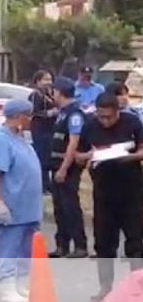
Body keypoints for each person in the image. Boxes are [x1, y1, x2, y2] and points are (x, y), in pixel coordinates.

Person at [76, 93, 143, 301]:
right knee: (103, 242)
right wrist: (89, 156)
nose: (105, 121)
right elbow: (78, 155)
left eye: (109, 117)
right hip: (103, 192)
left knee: (135, 241)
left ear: (118, 111)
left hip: (131, 190)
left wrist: (132, 157)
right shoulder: (90, 126)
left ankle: (137, 287)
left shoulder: (131, 122)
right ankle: (105, 287)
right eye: (101, 117)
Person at [0, 99, 42, 302]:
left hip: (30, 206)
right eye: (28, 115)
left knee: (27, 247)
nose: (31, 119)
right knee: (10, 246)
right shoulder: (3, 139)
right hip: (14, 204)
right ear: (19, 116)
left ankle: (20, 282)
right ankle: (6, 285)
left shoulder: (22, 138)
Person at [49, 76, 88, 259]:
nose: (52, 94)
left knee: (70, 206)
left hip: (68, 167)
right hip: (56, 164)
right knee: (59, 207)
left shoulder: (74, 114)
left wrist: (64, 168)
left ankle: (80, 245)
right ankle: (62, 245)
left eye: (54, 91)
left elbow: (74, 142)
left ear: (60, 92)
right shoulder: (63, 112)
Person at [29, 70, 59, 193]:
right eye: (45, 79)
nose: (48, 82)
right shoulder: (35, 95)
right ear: (37, 81)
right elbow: (33, 112)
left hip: (50, 128)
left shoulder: (50, 93)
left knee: (49, 155)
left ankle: (50, 184)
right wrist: (49, 113)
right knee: (41, 156)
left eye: (50, 79)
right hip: (40, 129)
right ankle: (43, 184)